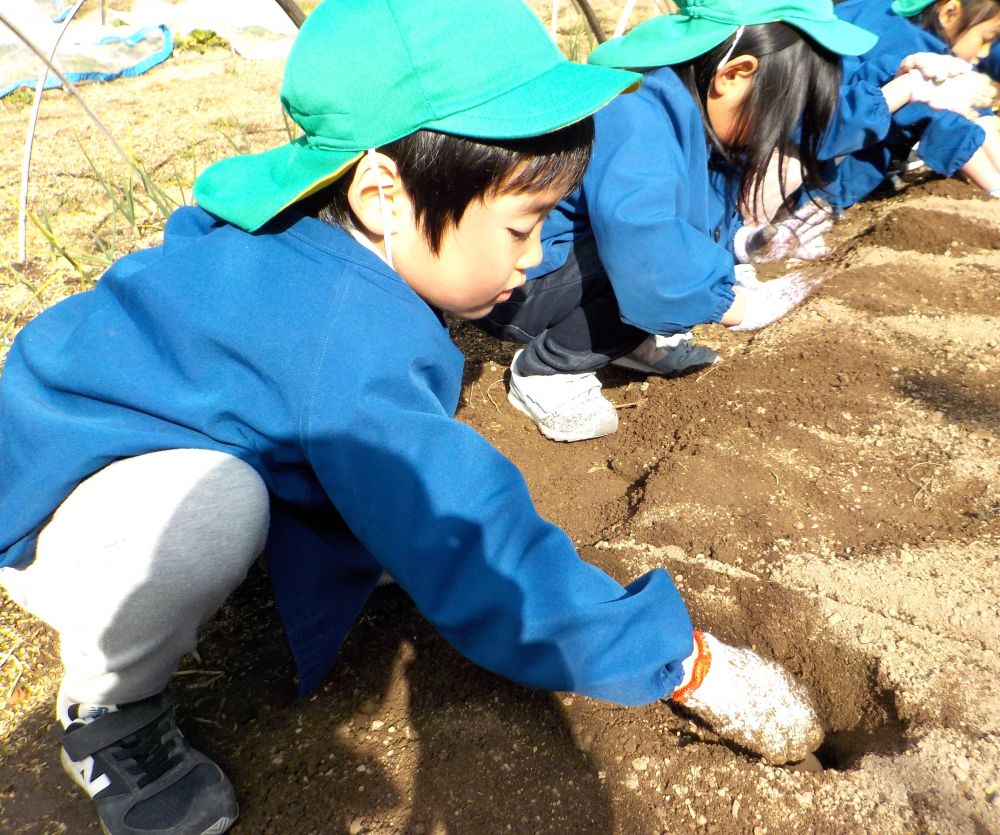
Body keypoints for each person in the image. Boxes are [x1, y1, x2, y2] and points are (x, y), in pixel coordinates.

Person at [0, 2, 824, 834]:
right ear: (381, 193)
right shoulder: (339, 328)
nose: (536, 255)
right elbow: (471, 535)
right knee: (213, 509)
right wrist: (680, 661)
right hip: (60, 484)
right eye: (523, 224)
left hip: (132, 433)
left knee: (267, 484)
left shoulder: (320, 246)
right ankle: (111, 709)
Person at [473, 0, 882, 444]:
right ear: (735, 74)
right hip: (513, 284)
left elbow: (694, 212)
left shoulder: (687, 107)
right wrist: (738, 307)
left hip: (559, 269)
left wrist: (743, 244)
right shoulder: (635, 108)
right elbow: (644, 238)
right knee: (654, 265)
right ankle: (549, 370)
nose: (776, 131)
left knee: (674, 265)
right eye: (778, 113)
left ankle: (628, 341)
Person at [823, 0, 1000, 208]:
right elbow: (941, 124)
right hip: (822, 176)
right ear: (950, 11)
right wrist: (994, 188)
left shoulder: (883, 9)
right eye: (985, 39)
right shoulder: (908, 48)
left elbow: (974, 113)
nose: (984, 53)